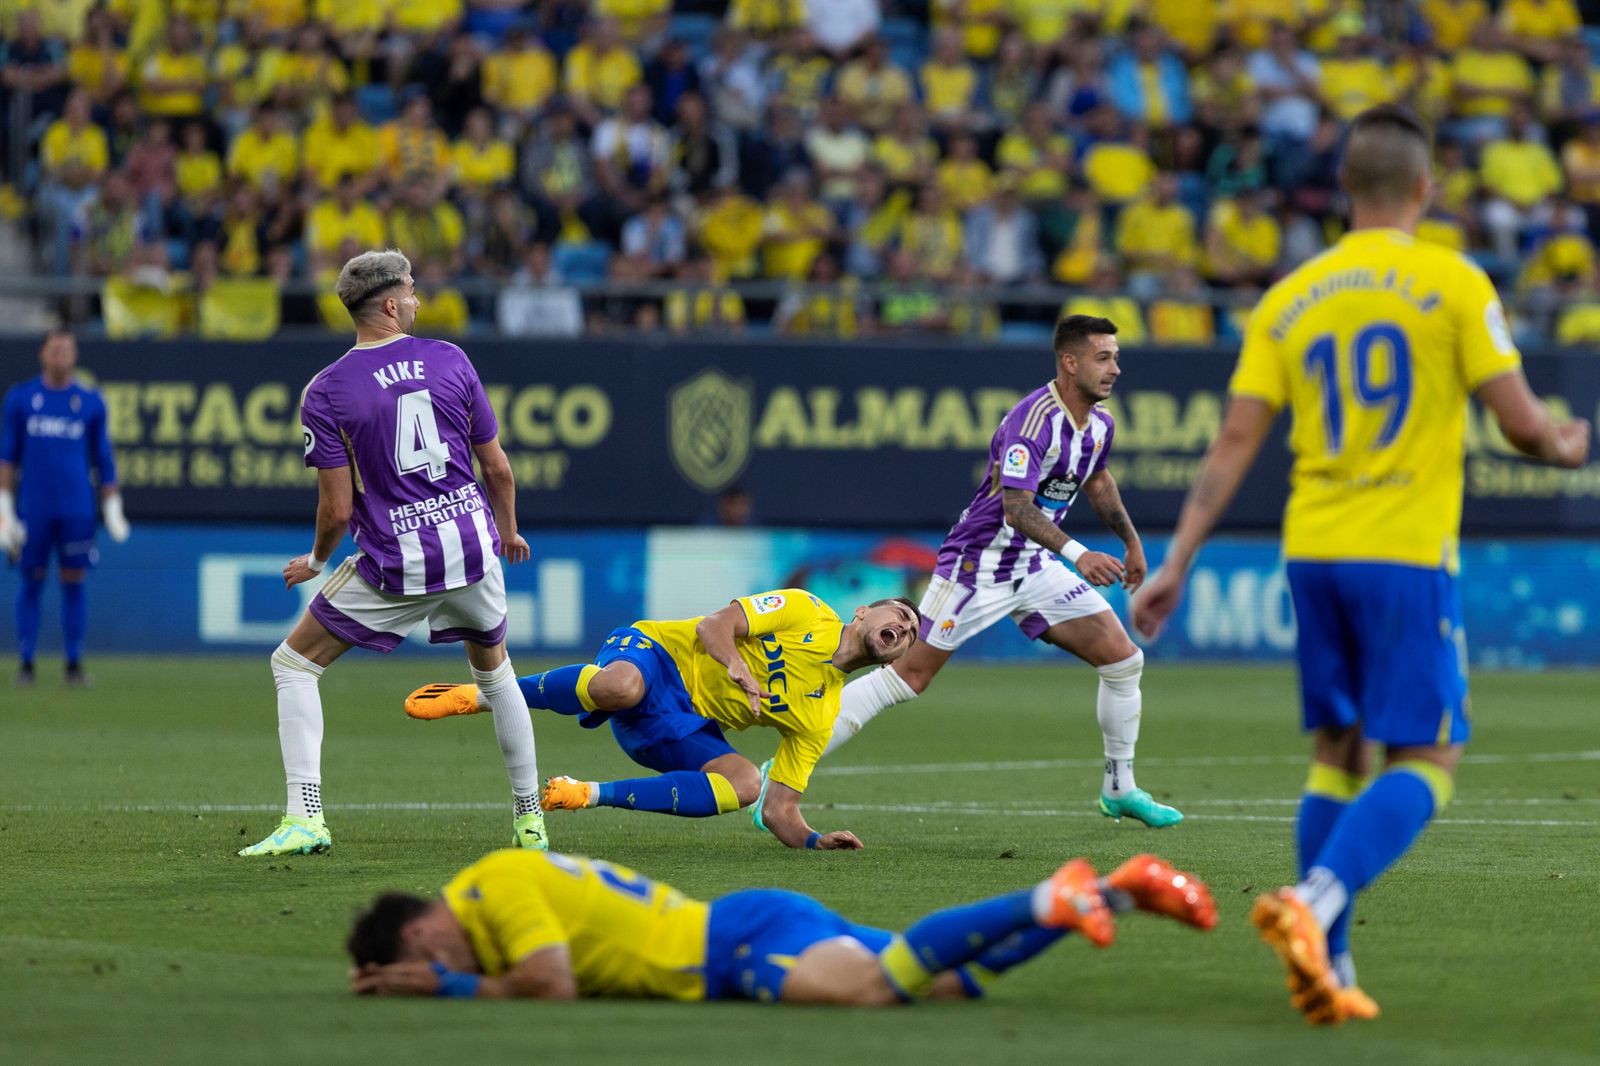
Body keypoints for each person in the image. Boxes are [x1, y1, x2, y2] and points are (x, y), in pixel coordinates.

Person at [1132, 105, 1592, 1025]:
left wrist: (1177, 558)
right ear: (1425, 188)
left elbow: (1231, 441)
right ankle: (1314, 900)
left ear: (1344, 190)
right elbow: (1519, 422)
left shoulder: (1291, 296)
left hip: (1314, 551)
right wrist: (1568, 444)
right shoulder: (1453, 281)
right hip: (1403, 554)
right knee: (1432, 753)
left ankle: (1328, 969)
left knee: (1338, 755)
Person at [808, 315, 1182, 830]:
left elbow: (1095, 480)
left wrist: (1131, 541)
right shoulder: (1032, 422)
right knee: (906, 678)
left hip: (1032, 565)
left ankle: (1119, 788)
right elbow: (1016, 508)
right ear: (1069, 362)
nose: (1115, 368)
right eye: (1104, 357)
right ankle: (779, 775)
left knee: (1123, 661)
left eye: (1116, 357)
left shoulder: (1099, 425)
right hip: (977, 566)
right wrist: (1080, 554)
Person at [237, 249, 547, 858]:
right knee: (497, 675)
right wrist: (508, 532)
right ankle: (530, 818)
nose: (417, 300)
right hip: (473, 548)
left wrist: (318, 561)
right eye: (410, 290)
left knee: (293, 665)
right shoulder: (450, 358)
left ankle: (306, 817)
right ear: (387, 304)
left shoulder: (326, 391)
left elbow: (337, 511)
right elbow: (499, 470)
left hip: (398, 563)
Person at [346, 848, 1216, 1003]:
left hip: (734, 943)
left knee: (867, 996)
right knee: (944, 980)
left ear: (420, 937)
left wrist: (454, 987)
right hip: (746, 927)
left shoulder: (491, 888)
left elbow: (551, 983)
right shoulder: (488, 898)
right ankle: (1121, 890)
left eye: (429, 959)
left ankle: (1048, 898)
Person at [403, 590, 919, 850]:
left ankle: (582, 793)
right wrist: (736, 666)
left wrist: (813, 839)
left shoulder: (820, 713)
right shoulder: (805, 610)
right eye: (897, 614)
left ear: (896, 659)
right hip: (654, 653)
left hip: (673, 726)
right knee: (619, 686)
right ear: (863, 613)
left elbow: (779, 809)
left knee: (744, 784)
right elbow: (714, 626)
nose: (902, 626)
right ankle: (487, 693)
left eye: (912, 632)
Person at [0, 331, 130, 686]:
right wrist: (4, 510)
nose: (60, 356)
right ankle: (26, 664)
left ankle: (73, 664)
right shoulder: (22, 398)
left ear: (74, 356)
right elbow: (7, 458)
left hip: (76, 509)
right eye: (54, 349)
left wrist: (113, 506)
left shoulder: (89, 401)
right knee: (31, 580)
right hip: (33, 508)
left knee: (74, 581)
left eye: (67, 350)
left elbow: (103, 457)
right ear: (43, 353)